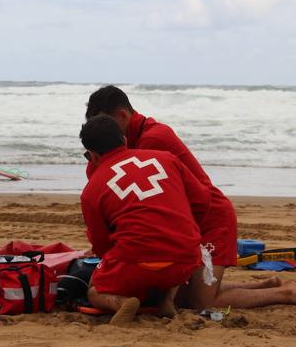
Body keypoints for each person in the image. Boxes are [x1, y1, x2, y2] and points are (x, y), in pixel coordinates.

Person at [85, 86, 296, 309]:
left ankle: (286, 293)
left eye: (104, 122)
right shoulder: (134, 141)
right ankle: (265, 285)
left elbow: (173, 200)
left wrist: (186, 235)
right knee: (185, 295)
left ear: (122, 116)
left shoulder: (152, 141)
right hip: (189, 217)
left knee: (203, 302)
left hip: (210, 217)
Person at [80, 115, 211, 324]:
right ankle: (167, 299)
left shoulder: (91, 190)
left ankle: (122, 302)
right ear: (124, 140)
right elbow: (203, 201)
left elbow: (101, 244)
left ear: (93, 156)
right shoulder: (167, 159)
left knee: (94, 290)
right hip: (184, 260)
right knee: (178, 245)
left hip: (135, 265)